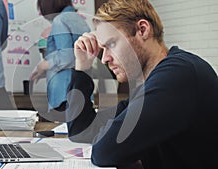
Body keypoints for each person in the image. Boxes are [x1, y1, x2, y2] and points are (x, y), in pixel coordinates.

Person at [66, 0, 218, 168]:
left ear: (142, 30)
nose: (104, 58)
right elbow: (81, 130)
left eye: (111, 44)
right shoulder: (150, 84)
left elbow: (104, 151)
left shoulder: (179, 75)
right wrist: (82, 67)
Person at [30, 0, 90, 116]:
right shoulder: (80, 20)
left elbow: (67, 57)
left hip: (63, 93)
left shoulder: (60, 20)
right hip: (80, 88)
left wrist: (43, 65)